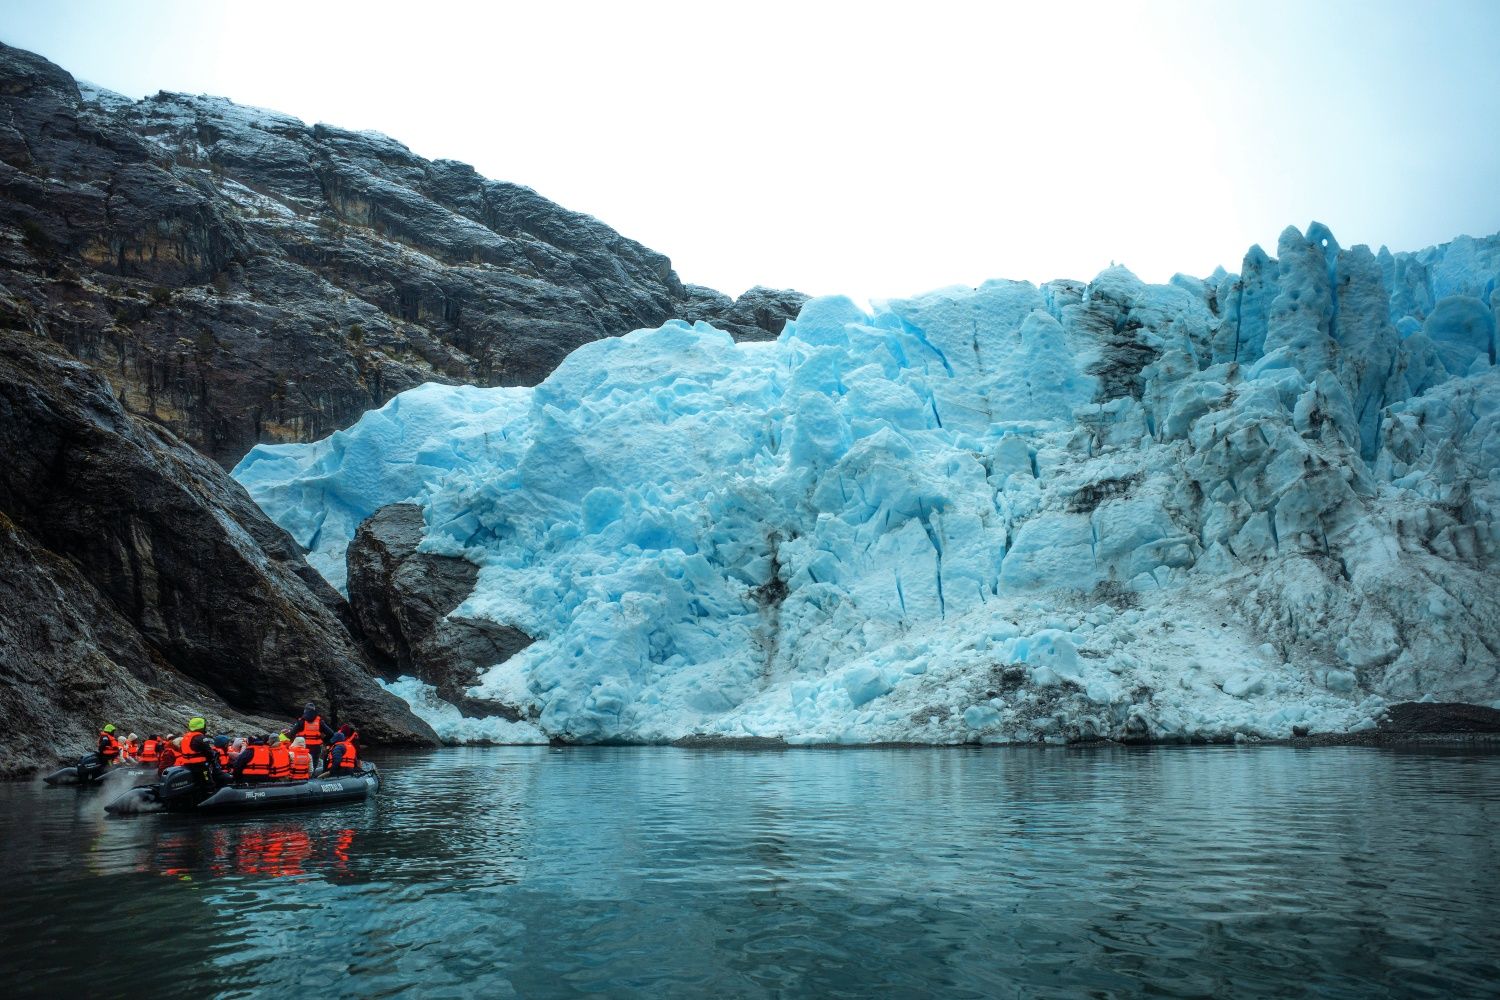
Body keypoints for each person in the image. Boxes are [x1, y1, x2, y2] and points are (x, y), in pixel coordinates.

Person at [289, 704, 334, 771]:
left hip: (303, 747)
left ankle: (302, 777)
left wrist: (294, 742)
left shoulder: (301, 721)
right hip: (316, 748)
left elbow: (292, 734)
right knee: (313, 767)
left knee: (301, 766)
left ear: (305, 711)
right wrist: (323, 740)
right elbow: (331, 733)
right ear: (314, 710)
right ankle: (311, 778)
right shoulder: (320, 721)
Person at [175, 717, 216, 787]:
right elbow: (209, 752)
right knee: (209, 784)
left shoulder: (186, 736)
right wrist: (213, 757)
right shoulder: (200, 737)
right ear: (201, 726)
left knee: (196, 784)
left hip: (186, 765)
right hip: (200, 766)